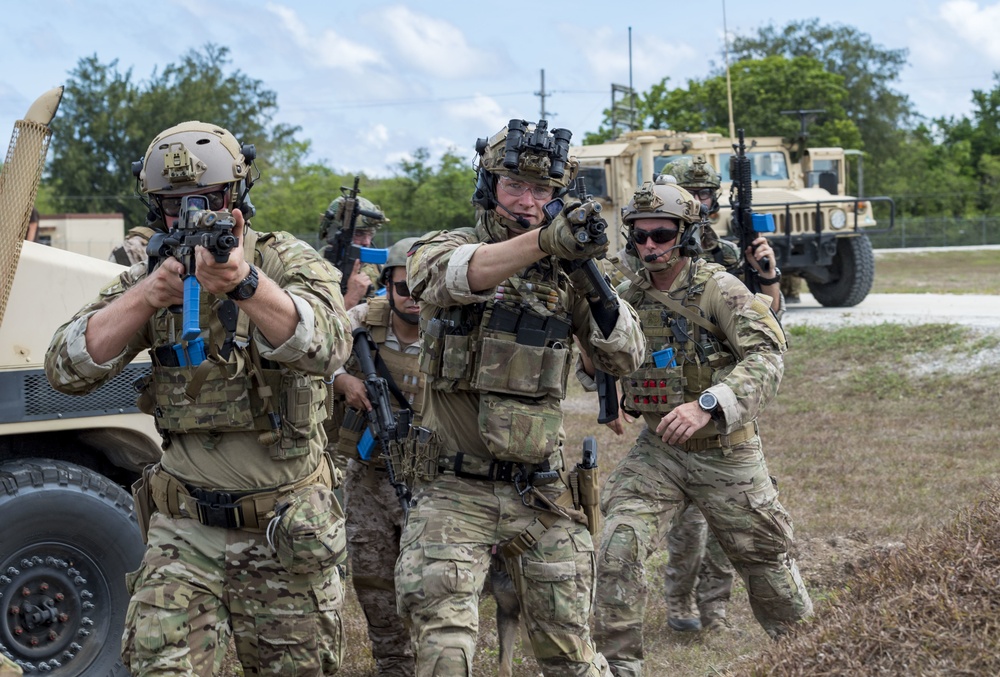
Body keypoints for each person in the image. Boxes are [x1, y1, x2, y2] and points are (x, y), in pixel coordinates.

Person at [44, 121, 353, 677]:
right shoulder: (149, 275)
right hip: (183, 532)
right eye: (172, 205)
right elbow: (65, 368)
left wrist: (245, 285)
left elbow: (330, 346)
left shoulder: (283, 261)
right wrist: (147, 294)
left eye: (205, 202)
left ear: (236, 199)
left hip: (286, 528)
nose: (187, 217)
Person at [396, 119, 645, 676]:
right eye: (515, 187)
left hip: (541, 490)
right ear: (489, 186)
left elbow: (623, 355)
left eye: (542, 192)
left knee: (570, 654)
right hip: (452, 490)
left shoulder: (569, 272)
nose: (528, 202)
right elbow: (447, 278)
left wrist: (587, 276)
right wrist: (540, 242)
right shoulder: (450, 246)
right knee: (445, 651)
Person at [592, 177, 812, 676]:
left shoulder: (720, 288)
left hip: (725, 449)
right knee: (618, 546)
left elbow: (768, 355)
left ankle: (813, 657)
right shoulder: (626, 296)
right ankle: (620, 667)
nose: (650, 246)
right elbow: (606, 358)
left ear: (687, 235)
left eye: (663, 235)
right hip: (661, 451)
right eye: (640, 236)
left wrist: (709, 405)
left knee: (766, 564)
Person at [658, 155, 784, 633]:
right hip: (672, 396)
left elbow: (769, 325)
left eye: (706, 194)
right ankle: (679, 603)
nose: (700, 203)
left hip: (726, 398)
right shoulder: (651, 247)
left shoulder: (730, 255)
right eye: (690, 194)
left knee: (728, 518)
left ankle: (715, 608)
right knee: (686, 520)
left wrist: (767, 272)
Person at [331, 236, 421, 676]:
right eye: (403, 289)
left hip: (427, 476)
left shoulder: (455, 328)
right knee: (371, 578)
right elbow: (314, 351)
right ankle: (393, 664)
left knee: (429, 580)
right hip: (368, 475)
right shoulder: (362, 320)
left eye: (423, 288)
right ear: (388, 285)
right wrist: (342, 381)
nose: (414, 299)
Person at [320, 194, 389, 309]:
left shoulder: (377, 266)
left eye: (370, 234)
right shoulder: (316, 268)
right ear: (335, 234)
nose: (367, 242)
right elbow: (317, 324)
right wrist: (351, 297)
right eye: (358, 234)